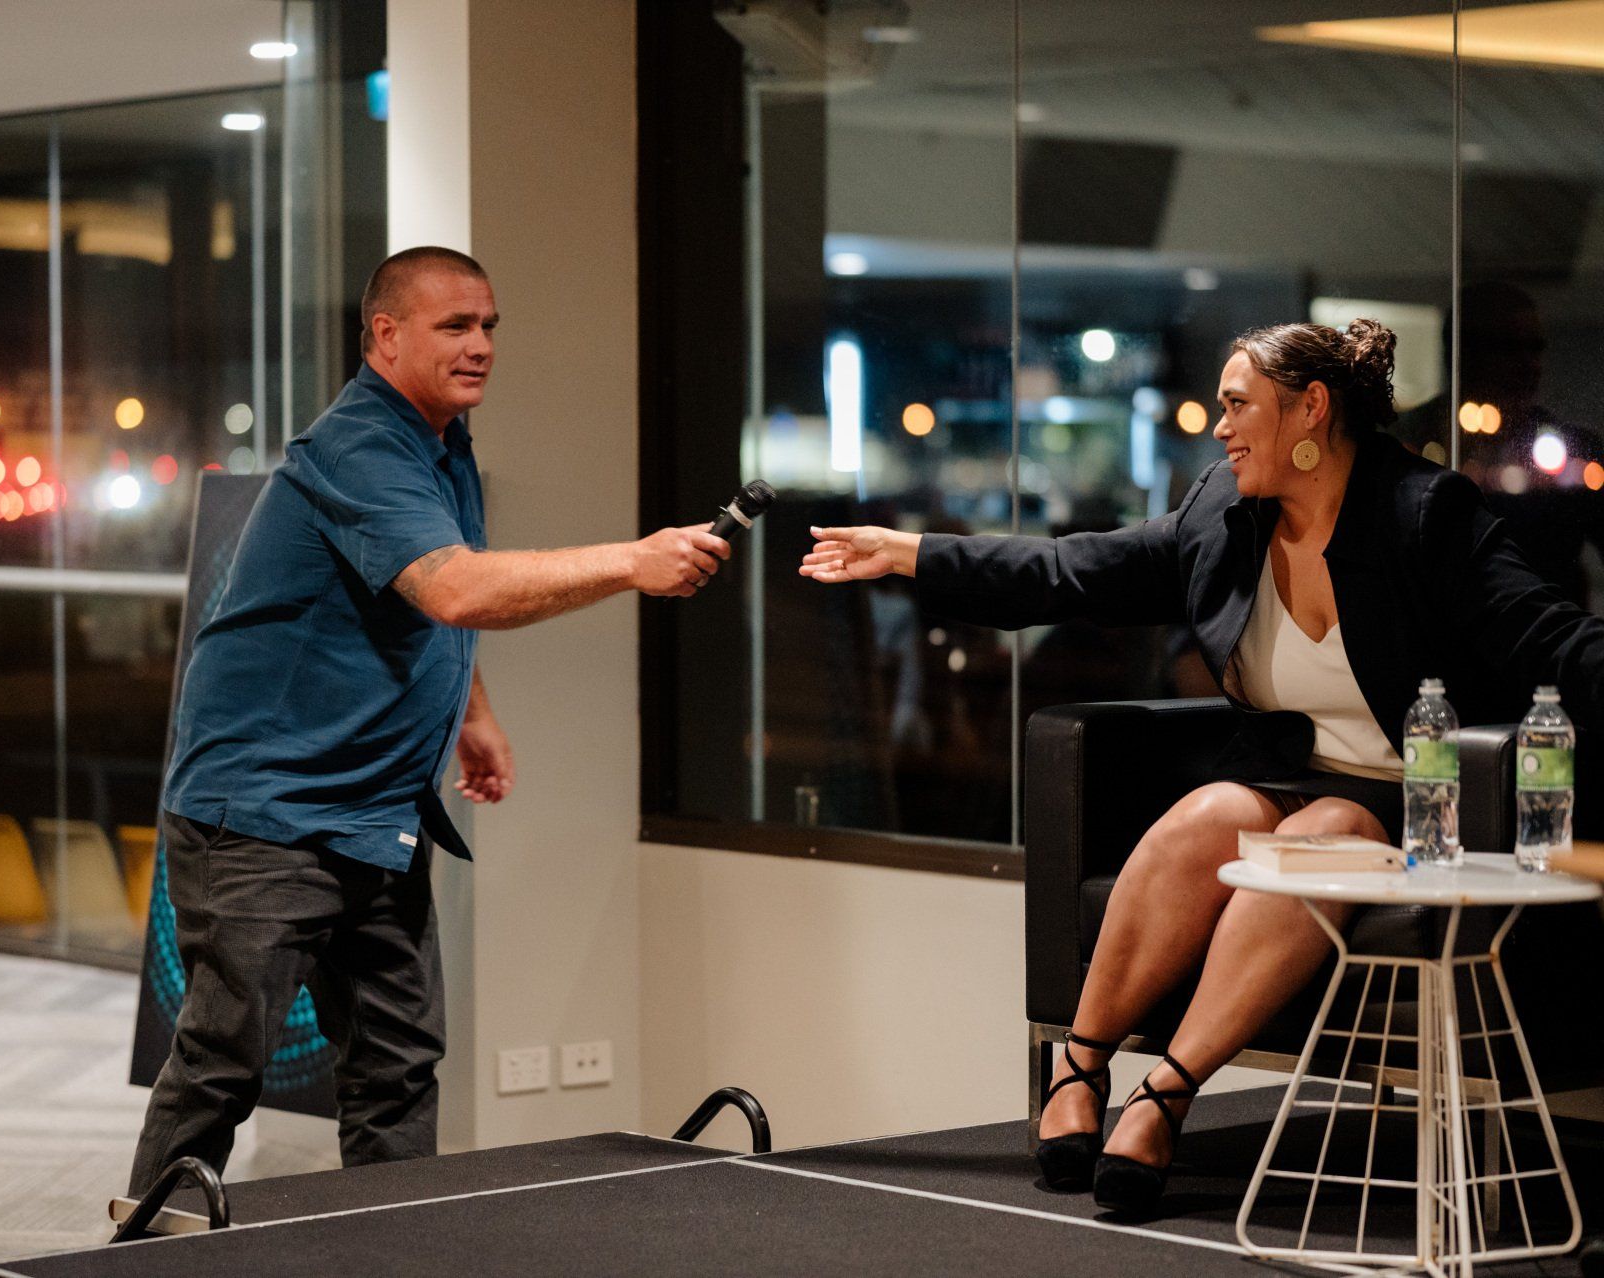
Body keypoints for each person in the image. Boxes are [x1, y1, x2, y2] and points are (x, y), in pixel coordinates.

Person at [799, 318, 1604, 1216]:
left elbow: (1555, 639)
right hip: (1283, 773)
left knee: (1325, 833)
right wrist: (909, 553)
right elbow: (1074, 572)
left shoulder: (1424, 514)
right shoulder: (1224, 510)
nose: (1218, 427)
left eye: (1236, 406)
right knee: (1204, 816)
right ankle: (1082, 1062)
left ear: (1312, 409)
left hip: (1416, 801)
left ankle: (1167, 1094)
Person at [128, 246, 731, 1194]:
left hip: (374, 816)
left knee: (398, 1066)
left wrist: (470, 713)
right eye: (456, 325)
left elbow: (417, 592)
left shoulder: (440, 445)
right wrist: (631, 561)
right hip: (264, 815)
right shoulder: (359, 446)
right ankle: (136, 1258)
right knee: (221, 1067)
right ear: (386, 335)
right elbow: (454, 589)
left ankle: (390, 1249)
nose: (482, 344)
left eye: (490, 325)